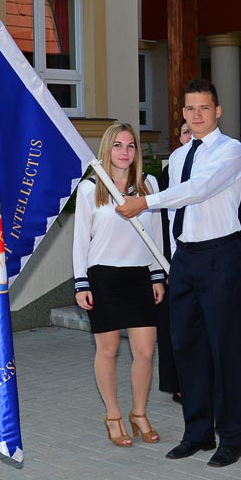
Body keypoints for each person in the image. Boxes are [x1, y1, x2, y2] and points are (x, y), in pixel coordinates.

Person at [117, 79, 241, 468]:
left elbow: (198, 190)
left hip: (219, 255)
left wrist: (145, 202)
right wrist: (171, 262)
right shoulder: (177, 157)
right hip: (185, 259)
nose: (196, 115)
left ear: (218, 110)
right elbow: (176, 212)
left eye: (204, 108)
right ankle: (197, 433)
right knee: (187, 349)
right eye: (190, 108)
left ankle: (232, 438)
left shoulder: (231, 151)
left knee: (224, 349)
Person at [73, 122, 166, 448]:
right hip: (103, 278)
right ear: (106, 149)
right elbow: (80, 240)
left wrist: (157, 274)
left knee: (145, 352)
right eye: (118, 145)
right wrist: (81, 282)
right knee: (108, 350)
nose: (124, 152)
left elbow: (156, 233)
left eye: (130, 146)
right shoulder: (90, 189)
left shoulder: (149, 185)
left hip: (139, 276)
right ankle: (113, 415)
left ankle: (139, 413)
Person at [156, 122, 192, 404]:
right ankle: (178, 382)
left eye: (194, 130)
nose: (190, 136)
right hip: (171, 258)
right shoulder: (168, 172)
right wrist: (164, 264)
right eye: (185, 132)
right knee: (174, 323)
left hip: (204, 255)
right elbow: (159, 220)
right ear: (178, 138)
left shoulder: (217, 166)